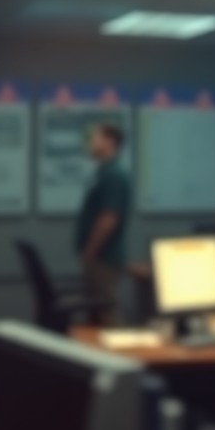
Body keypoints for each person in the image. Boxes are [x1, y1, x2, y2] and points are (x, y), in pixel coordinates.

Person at [75, 123, 131, 325]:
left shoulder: (114, 175)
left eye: (94, 138)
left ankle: (121, 347)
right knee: (95, 315)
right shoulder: (103, 172)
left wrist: (90, 250)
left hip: (104, 258)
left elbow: (108, 219)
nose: (90, 142)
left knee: (107, 313)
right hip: (97, 257)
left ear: (109, 142)